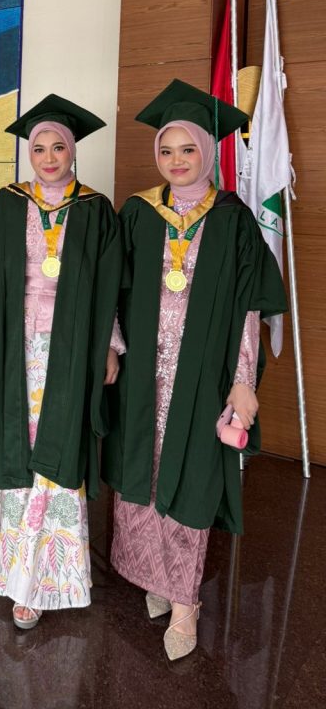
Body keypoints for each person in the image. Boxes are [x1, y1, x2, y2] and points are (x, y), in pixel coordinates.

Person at [102, 80, 287, 660]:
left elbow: (249, 308)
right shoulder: (138, 213)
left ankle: (185, 600)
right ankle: (153, 577)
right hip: (142, 374)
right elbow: (111, 292)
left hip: (203, 374)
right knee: (143, 469)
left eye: (187, 150)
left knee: (192, 474)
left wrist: (243, 381)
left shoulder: (233, 220)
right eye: (166, 150)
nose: (176, 160)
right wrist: (112, 347)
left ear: (207, 151)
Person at [0, 95, 123, 630]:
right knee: (18, 447)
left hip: (72, 347)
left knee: (58, 448)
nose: (49, 157)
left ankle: (52, 577)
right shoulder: (10, 203)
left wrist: (111, 343)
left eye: (59, 147)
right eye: (39, 148)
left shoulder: (96, 209)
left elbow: (111, 287)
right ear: (28, 153)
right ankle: (18, 575)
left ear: (73, 150)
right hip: (15, 344)